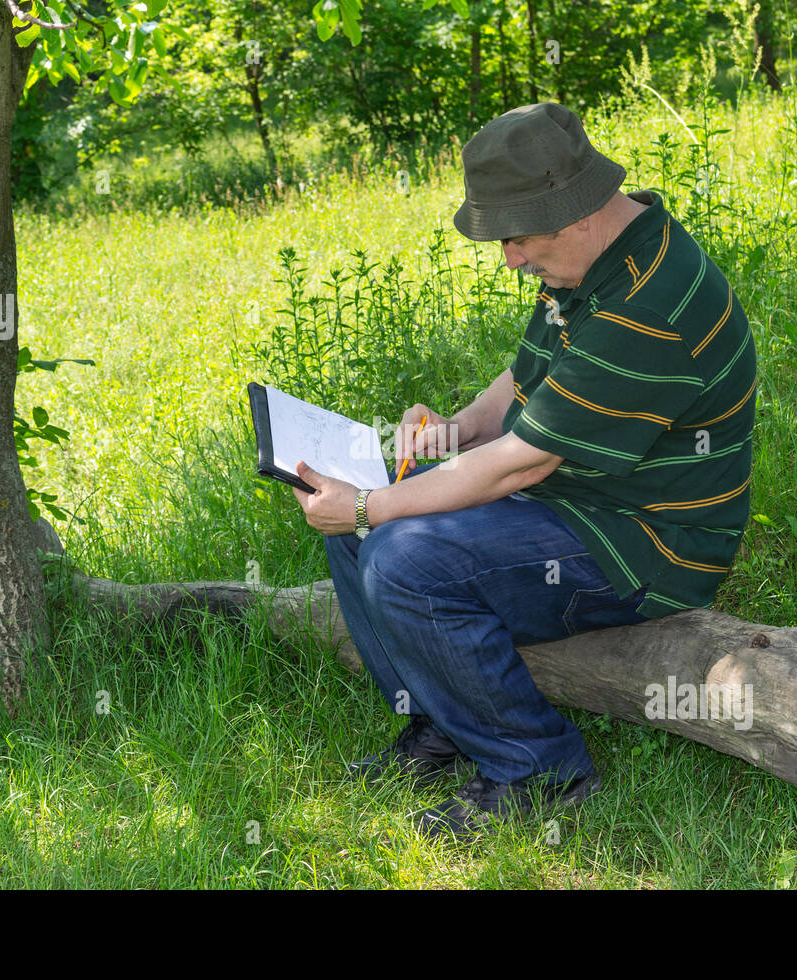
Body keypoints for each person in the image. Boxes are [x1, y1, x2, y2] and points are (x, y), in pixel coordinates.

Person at [291, 102, 756, 840]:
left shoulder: (647, 306)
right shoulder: (602, 253)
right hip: (579, 498)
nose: (509, 257)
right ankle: (445, 723)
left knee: (400, 553)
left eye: (514, 236)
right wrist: (459, 428)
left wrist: (371, 504)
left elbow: (519, 464)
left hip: (645, 543)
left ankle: (538, 768)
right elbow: (527, 376)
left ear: (570, 212)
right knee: (362, 531)